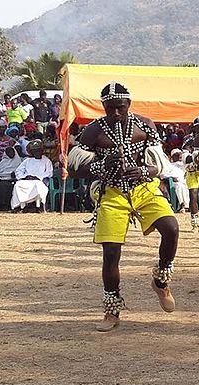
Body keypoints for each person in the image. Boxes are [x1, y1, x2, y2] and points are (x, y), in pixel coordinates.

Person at [67, 82, 178, 332]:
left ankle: (160, 282)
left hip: (144, 188)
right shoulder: (93, 131)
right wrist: (103, 164)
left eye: (120, 107)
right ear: (103, 106)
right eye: (110, 108)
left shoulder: (145, 125)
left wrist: (141, 170)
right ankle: (111, 311)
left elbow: (159, 166)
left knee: (171, 228)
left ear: (128, 104)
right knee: (111, 254)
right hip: (112, 193)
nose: (115, 113)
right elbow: (74, 171)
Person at [11, 139, 52, 212]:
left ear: (42, 150)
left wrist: (38, 177)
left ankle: (38, 206)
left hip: (39, 181)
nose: (37, 152)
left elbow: (49, 172)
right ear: (32, 152)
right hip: (26, 180)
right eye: (35, 151)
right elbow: (18, 171)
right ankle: (19, 206)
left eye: (38, 150)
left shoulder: (47, 161)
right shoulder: (27, 160)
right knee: (17, 185)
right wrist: (24, 177)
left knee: (37, 186)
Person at [181, 119, 199, 233]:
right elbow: (185, 157)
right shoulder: (189, 139)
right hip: (192, 170)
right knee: (193, 195)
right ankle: (195, 223)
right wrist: (196, 156)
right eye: (198, 126)